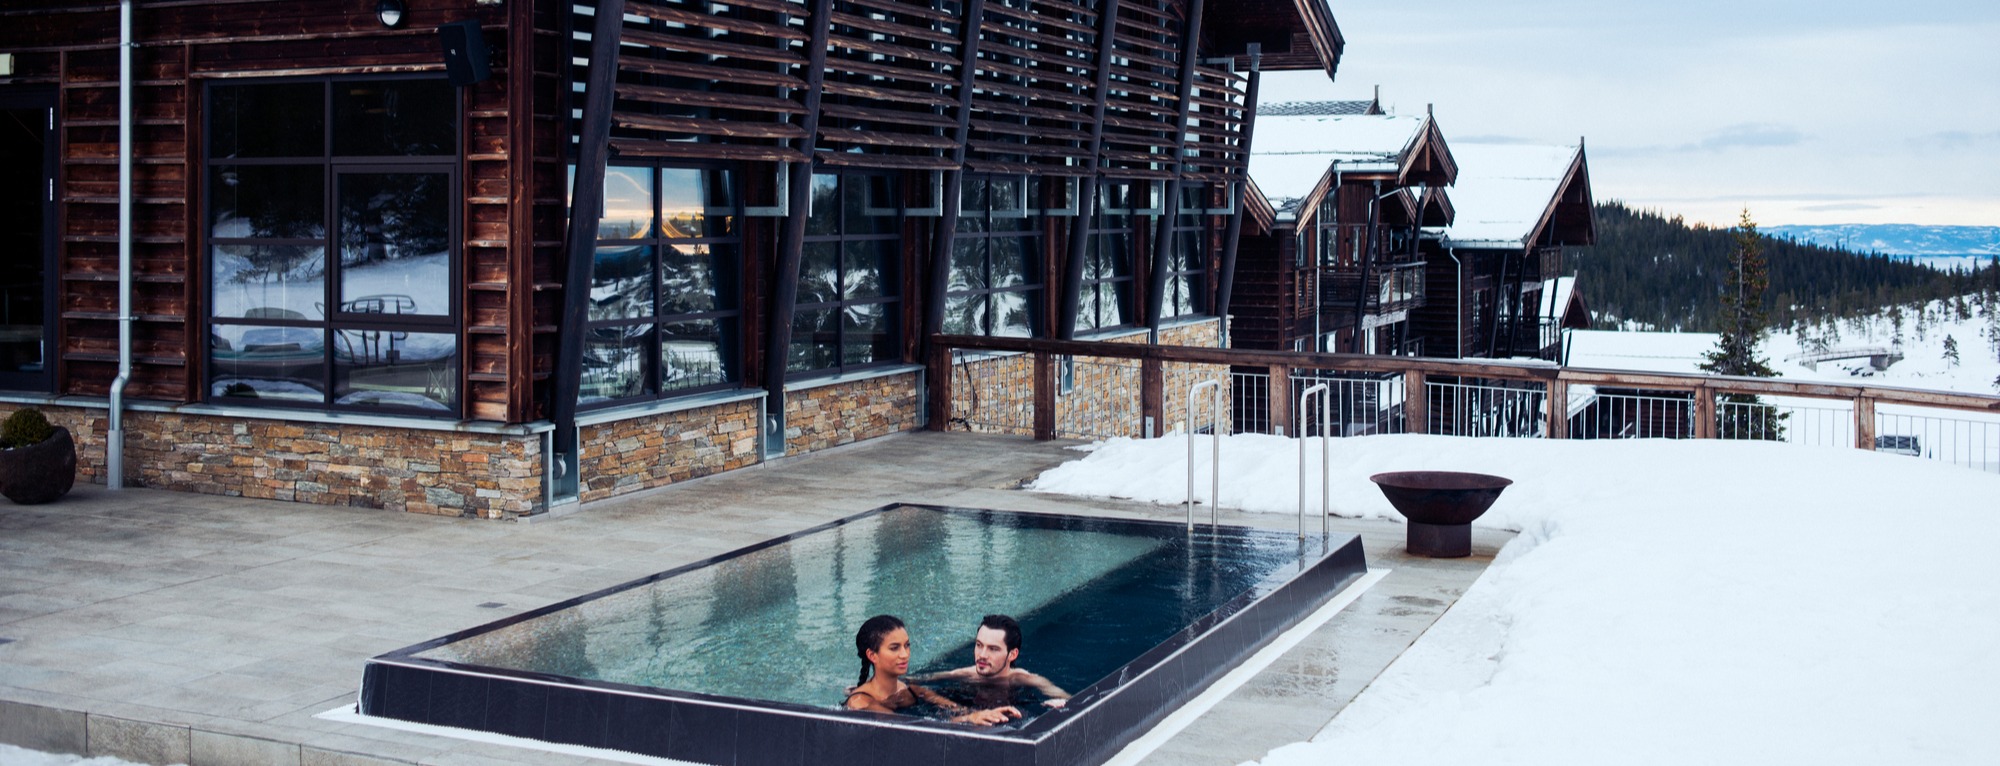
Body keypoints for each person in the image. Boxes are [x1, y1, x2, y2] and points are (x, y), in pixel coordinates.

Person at [845, 614, 1021, 725]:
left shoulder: (912, 690)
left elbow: (957, 709)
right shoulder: (861, 702)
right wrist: (969, 719)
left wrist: (985, 714)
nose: (904, 654)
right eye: (894, 648)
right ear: (872, 655)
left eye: (907, 646)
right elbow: (913, 727)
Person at [915, 614, 1070, 709]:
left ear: (1012, 654)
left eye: (993, 649)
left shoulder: (1023, 679)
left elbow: (1069, 701)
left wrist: (1056, 706)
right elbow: (917, 682)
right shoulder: (963, 674)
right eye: (979, 645)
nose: (982, 655)